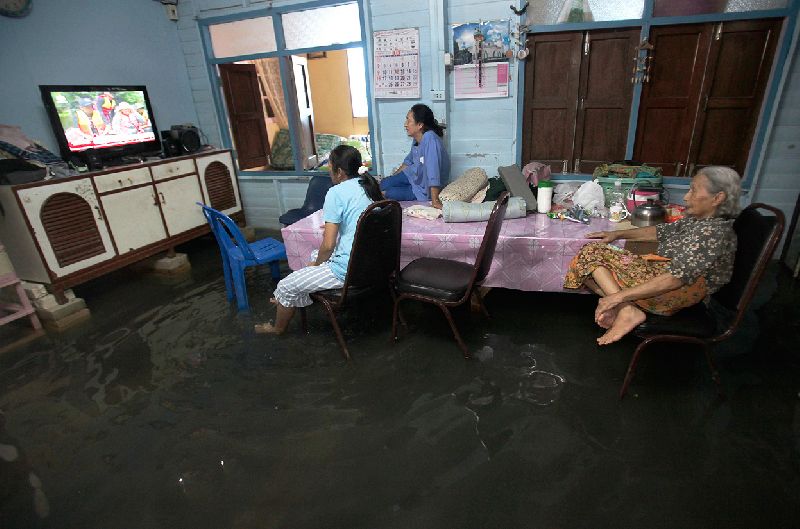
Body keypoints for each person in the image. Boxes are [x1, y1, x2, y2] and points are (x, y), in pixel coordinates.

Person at [563, 166, 741, 345]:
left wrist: (616, 297)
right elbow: (661, 231)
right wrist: (618, 234)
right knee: (588, 261)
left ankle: (624, 308)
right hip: (663, 273)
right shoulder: (699, 221)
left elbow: (674, 280)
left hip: (676, 292)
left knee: (589, 257)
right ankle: (626, 309)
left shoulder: (713, 233)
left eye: (693, 190)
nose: (687, 197)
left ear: (718, 198)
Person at [255, 145, 384, 334]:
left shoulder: (336, 192)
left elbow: (329, 245)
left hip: (348, 270)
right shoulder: (368, 185)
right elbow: (359, 219)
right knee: (314, 256)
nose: (329, 170)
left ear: (339, 171)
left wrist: (316, 266)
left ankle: (277, 327)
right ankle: (288, 297)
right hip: (372, 264)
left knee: (286, 283)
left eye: (330, 166)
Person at [380, 103, 450, 209]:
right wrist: (393, 178)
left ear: (420, 125)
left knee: (388, 193)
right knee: (383, 184)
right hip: (413, 176)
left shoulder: (430, 139)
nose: (405, 124)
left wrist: (435, 200)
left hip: (423, 189)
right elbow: (408, 161)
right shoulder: (417, 138)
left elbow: (433, 172)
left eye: (409, 121)